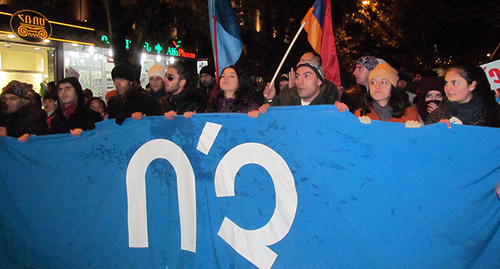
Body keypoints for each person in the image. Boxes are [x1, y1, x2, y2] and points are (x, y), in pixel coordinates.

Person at [425, 61, 500, 127]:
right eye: (446, 83)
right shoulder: (437, 115)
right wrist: (437, 131)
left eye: (455, 83)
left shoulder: (491, 114)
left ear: (472, 85)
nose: (448, 88)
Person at [263, 51, 340, 106]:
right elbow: (278, 116)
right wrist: (270, 100)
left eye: (306, 76)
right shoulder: (291, 99)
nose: (300, 81)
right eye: (298, 76)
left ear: (319, 81)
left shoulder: (328, 105)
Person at [355, 63, 419, 123]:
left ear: (392, 87)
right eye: (373, 82)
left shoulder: (409, 114)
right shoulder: (360, 115)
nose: (377, 86)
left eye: (383, 82)